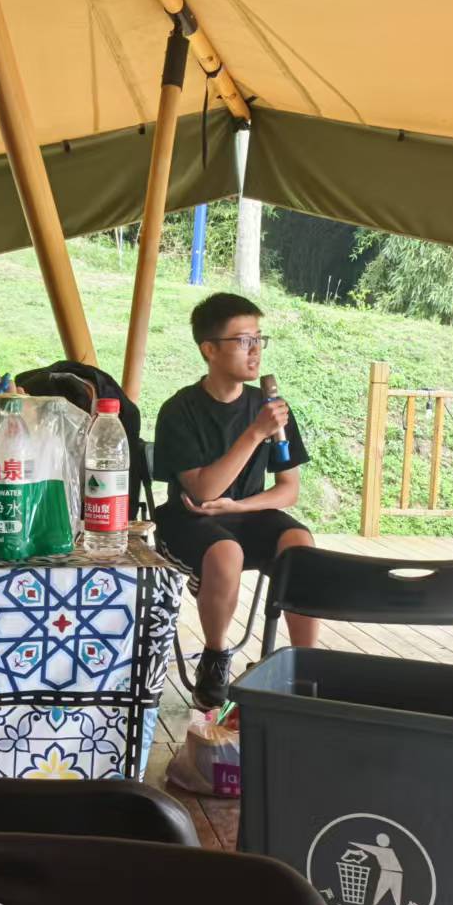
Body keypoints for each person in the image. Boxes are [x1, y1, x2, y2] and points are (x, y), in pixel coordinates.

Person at [153, 292, 318, 709]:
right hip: (190, 519)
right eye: (244, 341)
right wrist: (255, 433)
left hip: (246, 514)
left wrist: (241, 506)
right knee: (226, 551)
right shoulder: (179, 410)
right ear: (209, 349)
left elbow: (289, 489)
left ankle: (307, 665)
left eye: (259, 339)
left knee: (300, 544)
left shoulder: (272, 409)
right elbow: (204, 491)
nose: (255, 350)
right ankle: (214, 658)